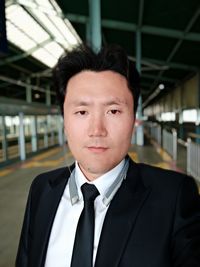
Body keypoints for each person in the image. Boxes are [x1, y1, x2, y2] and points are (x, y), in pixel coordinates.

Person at [16, 44, 200, 267]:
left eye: (113, 111)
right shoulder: (42, 190)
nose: (97, 130)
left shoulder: (174, 196)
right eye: (82, 112)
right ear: (64, 121)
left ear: (133, 120)